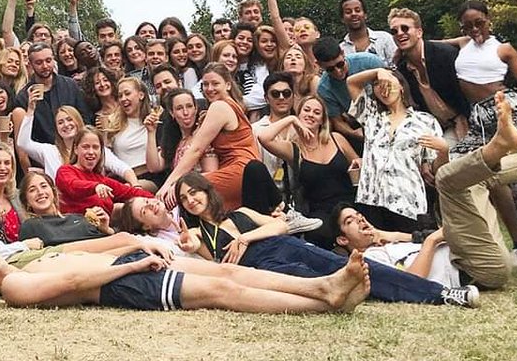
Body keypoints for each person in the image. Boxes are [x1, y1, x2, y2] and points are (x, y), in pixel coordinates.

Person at [176, 174, 478, 307]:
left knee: (348, 266)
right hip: (261, 269)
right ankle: (380, 294)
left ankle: (442, 294)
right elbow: (207, 259)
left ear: (207, 191)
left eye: (194, 192)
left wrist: (244, 237)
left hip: (283, 245)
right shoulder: (200, 234)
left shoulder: (241, 213)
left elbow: (282, 225)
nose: (191, 201)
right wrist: (190, 245)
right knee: (335, 281)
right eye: (184, 199)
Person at [0, 238, 371, 314]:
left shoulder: (33, 258)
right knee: (221, 290)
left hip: (131, 264)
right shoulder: (13, 287)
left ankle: (324, 288)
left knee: (227, 269)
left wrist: (140, 247)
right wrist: (135, 265)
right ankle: (325, 299)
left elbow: (88, 252)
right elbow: (72, 283)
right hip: (124, 283)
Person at [432, 90, 517, 288]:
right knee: (446, 178)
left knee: (473, 178)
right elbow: (411, 275)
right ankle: (501, 144)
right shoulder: (381, 266)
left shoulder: (384, 245)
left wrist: (387, 237)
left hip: (486, 254)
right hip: (481, 269)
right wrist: (431, 241)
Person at [447, 0, 517, 266]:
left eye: (479, 23)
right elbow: (431, 44)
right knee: (458, 159)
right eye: (467, 25)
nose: (474, 29)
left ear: (489, 19)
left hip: (508, 110)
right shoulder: (462, 44)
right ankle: (498, 241)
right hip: (479, 118)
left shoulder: (503, 49)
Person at [155, 63, 272, 215]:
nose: (209, 89)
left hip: (239, 170)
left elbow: (196, 150)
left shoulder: (220, 107)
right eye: (205, 84)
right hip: (243, 170)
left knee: (183, 190)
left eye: (215, 83)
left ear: (228, 85)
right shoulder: (228, 106)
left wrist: (169, 183)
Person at [345, 67, 443, 232]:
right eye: (377, 84)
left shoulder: (425, 121)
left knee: (412, 250)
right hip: (372, 198)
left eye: (388, 82)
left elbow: (435, 168)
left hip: (408, 200)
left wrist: (445, 150)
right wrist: (378, 72)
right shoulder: (371, 116)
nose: (383, 86)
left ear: (402, 86)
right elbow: (351, 83)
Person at [256, 94, 359, 236]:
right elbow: (263, 138)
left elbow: (358, 162)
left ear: (322, 120)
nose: (311, 115)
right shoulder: (293, 149)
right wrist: (291, 119)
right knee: (318, 233)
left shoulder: (337, 139)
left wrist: (357, 164)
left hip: (350, 201)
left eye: (317, 113)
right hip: (321, 211)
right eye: (306, 110)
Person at [333, 205, 465, 290]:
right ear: (343, 239)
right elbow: (411, 282)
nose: (360, 220)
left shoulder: (388, 243)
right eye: (350, 221)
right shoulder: (370, 258)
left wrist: (388, 235)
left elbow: (421, 237)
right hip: (461, 266)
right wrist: (431, 241)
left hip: (461, 248)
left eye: (359, 216)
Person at [388, 7, 469, 127]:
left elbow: (467, 92)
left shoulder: (444, 54)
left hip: (467, 120)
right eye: (394, 31)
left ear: (419, 32)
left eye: (405, 28)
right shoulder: (402, 69)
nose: (400, 33)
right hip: (436, 128)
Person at [18, 103, 137, 182]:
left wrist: (134, 185)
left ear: (78, 121)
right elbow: (23, 143)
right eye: (60, 122)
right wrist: (31, 110)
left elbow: (123, 168)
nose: (66, 125)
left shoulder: (93, 149)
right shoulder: (49, 151)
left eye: (70, 119)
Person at [56, 127, 154, 215]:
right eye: (85, 147)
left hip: (103, 229)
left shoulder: (101, 180)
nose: (91, 152)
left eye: (95, 147)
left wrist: (155, 201)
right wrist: (95, 187)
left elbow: (129, 192)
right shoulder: (65, 171)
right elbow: (72, 185)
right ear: (76, 149)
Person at [12, 42, 90, 145]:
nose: (45, 66)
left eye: (48, 61)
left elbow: (84, 119)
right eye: (39, 62)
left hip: (75, 149)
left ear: (54, 60)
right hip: (43, 154)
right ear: (30, 64)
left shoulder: (70, 85)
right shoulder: (23, 97)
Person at [312, 36, 382, 142]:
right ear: (319, 65)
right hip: (362, 124)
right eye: (330, 69)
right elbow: (337, 121)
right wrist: (353, 133)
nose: (338, 71)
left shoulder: (369, 61)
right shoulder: (324, 88)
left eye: (340, 64)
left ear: (343, 53)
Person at [17, 170, 115, 244]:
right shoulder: (30, 226)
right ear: (26, 201)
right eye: (32, 190)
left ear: (54, 192)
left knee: (125, 237)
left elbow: (109, 241)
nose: (40, 192)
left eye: (44, 186)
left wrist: (105, 229)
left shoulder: (78, 218)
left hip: (104, 256)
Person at [338, 0, 396, 64]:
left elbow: (396, 65)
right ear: (342, 19)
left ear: (365, 15)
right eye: (348, 12)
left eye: (357, 10)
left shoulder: (384, 39)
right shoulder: (340, 50)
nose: (353, 14)